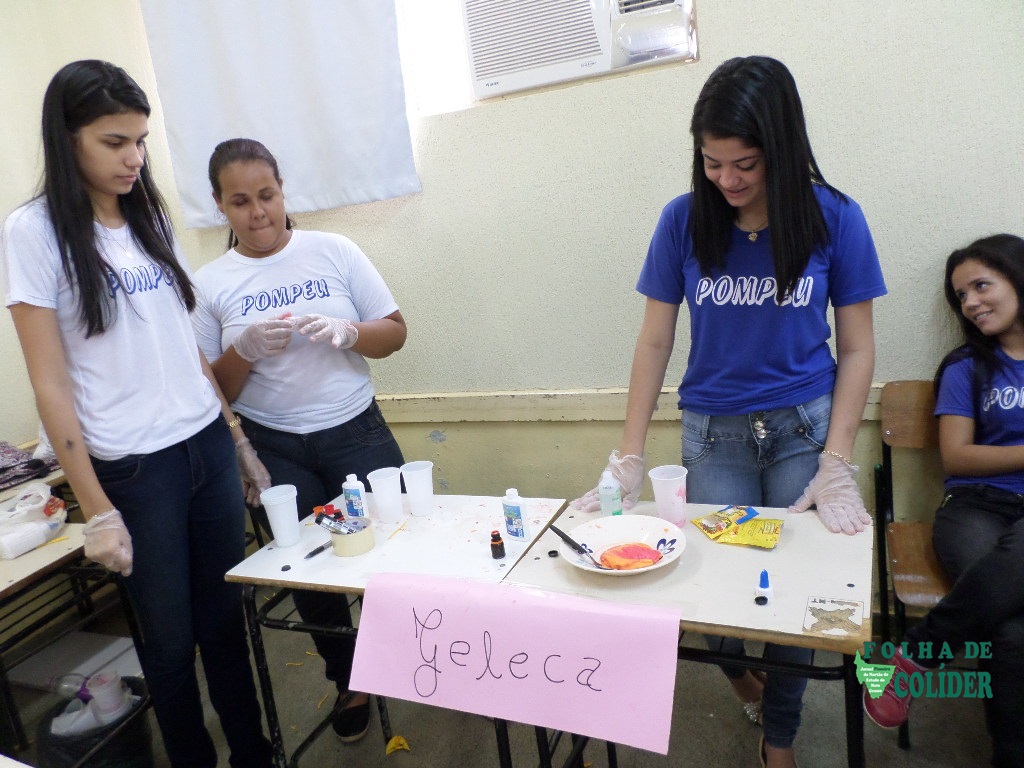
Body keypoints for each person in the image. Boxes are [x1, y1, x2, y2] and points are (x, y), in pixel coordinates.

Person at [572, 56, 885, 768]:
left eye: (745, 163)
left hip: (804, 430)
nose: (728, 180)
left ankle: (780, 736)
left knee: (792, 589)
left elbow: (859, 348)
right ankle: (743, 678)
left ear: (782, 147)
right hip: (715, 436)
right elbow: (655, 341)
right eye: (712, 163)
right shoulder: (683, 220)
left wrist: (836, 461)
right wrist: (628, 455)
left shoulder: (835, 217)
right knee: (710, 583)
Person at [0, 61, 273, 767]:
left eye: (141, 141)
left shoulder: (148, 216)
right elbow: (49, 385)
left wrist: (236, 437)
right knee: (169, 643)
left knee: (226, 624)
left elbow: (185, 345)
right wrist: (96, 508)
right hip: (135, 471)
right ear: (67, 139)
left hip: (204, 447)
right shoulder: (33, 232)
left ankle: (252, 752)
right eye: (114, 142)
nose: (134, 159)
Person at [192, 138, 408, 743]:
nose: (258, 212)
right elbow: (212, 390)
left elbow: (395, 334)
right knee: (313, 572)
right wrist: (242, 350)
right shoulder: (208, 283)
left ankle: (419, 660)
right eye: (240, 201)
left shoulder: (333, 250)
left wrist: (350, 331)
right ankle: (350, 679)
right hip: (274, 447)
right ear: (219, 206)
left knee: (398, 548)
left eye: (267, 195)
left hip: (356, 431)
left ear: (283, 190)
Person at [864, 234, 1024, 768]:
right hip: (977, 506)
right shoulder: (967, 366)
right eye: (961, 295)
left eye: (981, 285)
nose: (971, 303)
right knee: (1011, 627)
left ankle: (914, 657)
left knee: (1011, 625)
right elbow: (957, 457)